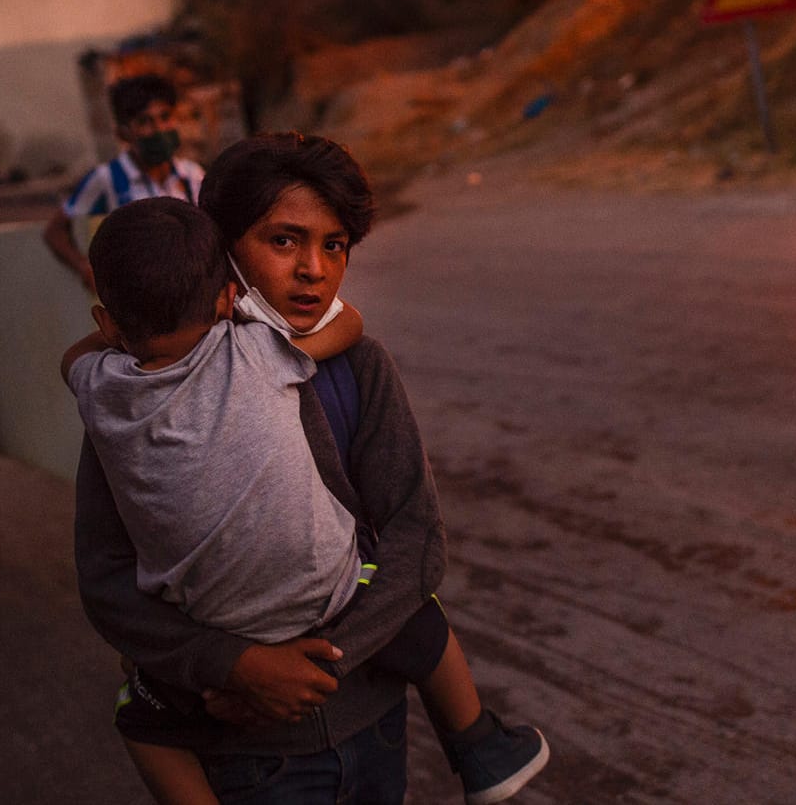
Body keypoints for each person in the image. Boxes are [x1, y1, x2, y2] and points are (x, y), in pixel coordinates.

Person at [75, 133, 550, 804]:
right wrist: (236, 665)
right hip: (247, 763)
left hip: (375, 726)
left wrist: (313, 667)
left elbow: (415, 541)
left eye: (334, 246)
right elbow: (106, 581)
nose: (314, 270)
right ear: (220, 256)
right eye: (283, 241)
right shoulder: (143, 407)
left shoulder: (357, 369)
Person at [43, 73, 205, 291]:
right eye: (145, 122)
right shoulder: (107, 178)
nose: (158, 129)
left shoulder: (192, 175)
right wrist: (84, 267)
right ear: (124, 133)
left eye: (165, 117)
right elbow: (55, 231)